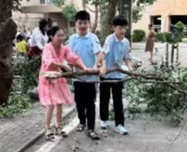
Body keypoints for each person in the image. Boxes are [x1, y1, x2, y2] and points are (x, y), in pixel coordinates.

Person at [38, 26, 91, 140]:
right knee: (51, 104)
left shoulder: (64, 48)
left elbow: (74, 57)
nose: (61, 38)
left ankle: (58, 126)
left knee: (59, 104)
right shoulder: (47, 48)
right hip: (48, 78)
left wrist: (84, 68)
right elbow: (48, 62)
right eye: (59, 36)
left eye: (63, 35)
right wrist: (63, 65)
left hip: (58, 77)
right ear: (52, 36)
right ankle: (47, 128)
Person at [68, 10, 102, 140]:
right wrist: (68, 68)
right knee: (79, 102)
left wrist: (95, 67)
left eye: (85, 23)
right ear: (76, 24)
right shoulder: (72, 39)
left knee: (90, 103)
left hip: (91, 78)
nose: (82, 25)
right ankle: (82, 122)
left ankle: (91, 128)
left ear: (89, 23)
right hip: (78, 77)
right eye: (80, 23)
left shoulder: (93, 38)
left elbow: (99, 54)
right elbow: (69, 56)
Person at [97, 15, 132, 135]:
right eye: (120, 28)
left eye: (124, 28)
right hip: (106, 74)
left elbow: (126, 57)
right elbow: (103, 53)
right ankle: (104, 120)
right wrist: (100, 66)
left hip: (118, 75)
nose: (122, 30)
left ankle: (120, 124)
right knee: (104, 99)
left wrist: (129, 67)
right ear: (114, 28)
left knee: (118, 101)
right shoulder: (110, 39)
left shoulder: (126, 42)